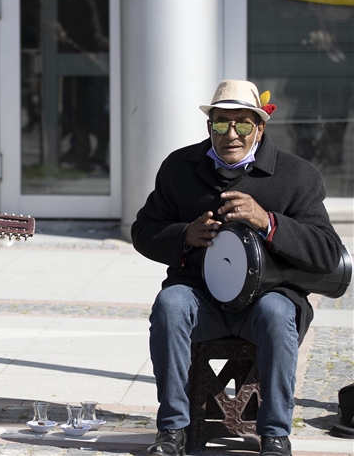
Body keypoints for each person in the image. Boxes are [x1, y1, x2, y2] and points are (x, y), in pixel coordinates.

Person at [131, 79, 345, 456]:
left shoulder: (297, 174)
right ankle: (172, 430)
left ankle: (275, 435)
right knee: (170, 305)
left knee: (277, 312)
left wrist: (269, 222)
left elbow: (327, 252)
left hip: (266, 299)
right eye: (220, 123)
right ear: (209, 126)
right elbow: (143, 230)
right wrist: (184, 235)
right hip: (200, 297)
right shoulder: (179, 167)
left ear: (259, 127)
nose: (231, 134)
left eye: (242, 124)